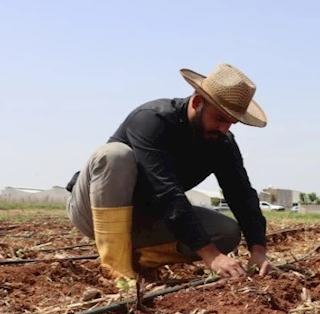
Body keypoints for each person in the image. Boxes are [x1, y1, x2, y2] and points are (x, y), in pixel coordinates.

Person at [65, 63, 273, 281]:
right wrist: (211, 256)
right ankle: (116, 269)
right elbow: (166, 192)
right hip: (93, 210)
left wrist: (258, 250)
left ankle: (138, 260)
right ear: (197, 102)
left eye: (231, 123)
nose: (224, 128)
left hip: (145, 216)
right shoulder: (153, 120)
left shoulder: (221, 142)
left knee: (227, 231)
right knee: (115, 155)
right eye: (219, 118)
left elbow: (241, 195)